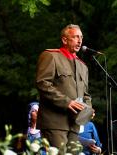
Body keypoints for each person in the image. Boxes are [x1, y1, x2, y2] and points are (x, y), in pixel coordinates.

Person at [36, 24, 93, 154]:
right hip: (54, 122)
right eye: (75, 37)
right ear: (64, 40)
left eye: (81, 37)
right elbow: (43, 83)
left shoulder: (83, 66)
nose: (80, 41)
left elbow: (86, 94)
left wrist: (88, 109)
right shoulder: (51, 56)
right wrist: (67, 102)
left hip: (74, 124)